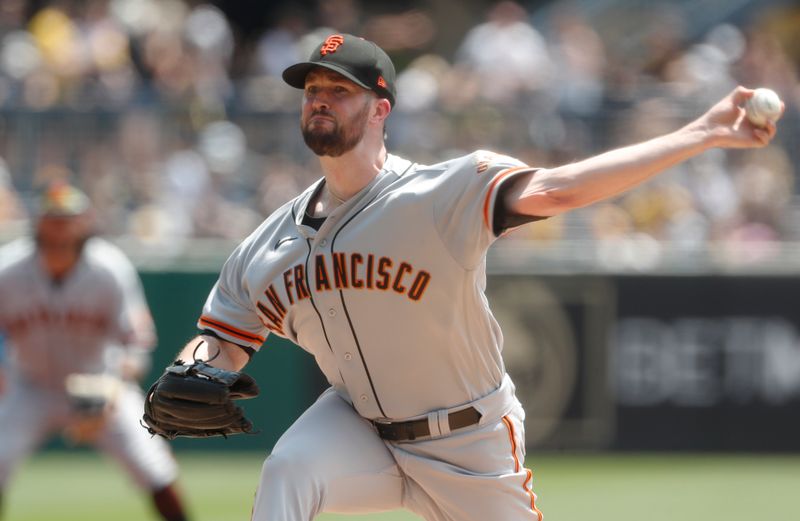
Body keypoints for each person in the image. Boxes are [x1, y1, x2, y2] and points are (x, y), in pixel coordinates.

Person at [161, 33, 782, 520]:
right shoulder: (267, 243)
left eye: (339, 89)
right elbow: (226, 339)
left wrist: (699, 134)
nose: (320, 98)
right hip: (360, 429)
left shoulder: (444, 191)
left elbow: (560, 190)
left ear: (380, 109)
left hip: (470, 442)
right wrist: (193, 365)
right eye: (312, 88)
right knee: (288, 471)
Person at [0, 182, 190, 521]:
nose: (61, 227)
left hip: (99, 383)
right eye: (54, 218)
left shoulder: (109, 269)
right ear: (38, 222)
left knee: (153, 467)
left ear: (84, 222)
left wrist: (115, 386)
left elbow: (138, 342)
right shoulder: (8, 270)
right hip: (30, 386)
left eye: (69, 218)